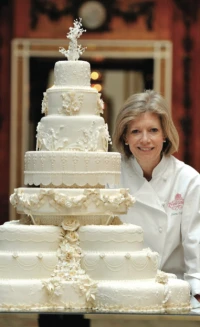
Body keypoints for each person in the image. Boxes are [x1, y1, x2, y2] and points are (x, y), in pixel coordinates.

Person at [112, 89, 200, 308]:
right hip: (122, 290)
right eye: (135, 131)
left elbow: (195, 241)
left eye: (153, 130)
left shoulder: (188, 179)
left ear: (165, 134)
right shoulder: (110, 176)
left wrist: (197, 291)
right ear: (125, 136)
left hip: (172, 292)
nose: (145, 140)